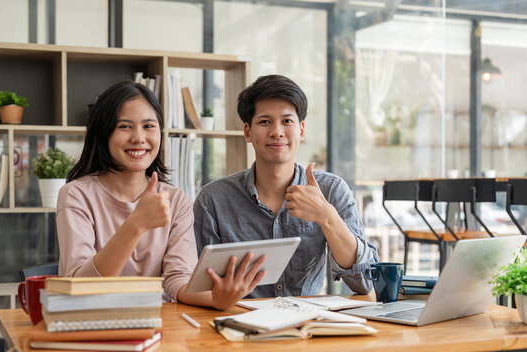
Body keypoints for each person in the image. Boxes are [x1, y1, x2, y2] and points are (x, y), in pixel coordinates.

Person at [56, 80, 265, 310]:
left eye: (148, 126)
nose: (138, 137)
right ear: (103, 133)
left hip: (158, 326)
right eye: (125, 126)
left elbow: (177, 279)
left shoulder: (175, 200)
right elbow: (80, 287)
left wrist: (216, 299)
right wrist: (135, 224)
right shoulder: (76, 195)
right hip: (91, 321)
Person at [193, 74, 378, 298]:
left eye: (287, 121)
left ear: (301, 130)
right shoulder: (213, 199)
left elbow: (365, 281)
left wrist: (327, 216)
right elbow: (197, 286)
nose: (277, 132)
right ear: (247, 132)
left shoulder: (331, 190)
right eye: (265, 121)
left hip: (308, 323)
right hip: (236, 323)